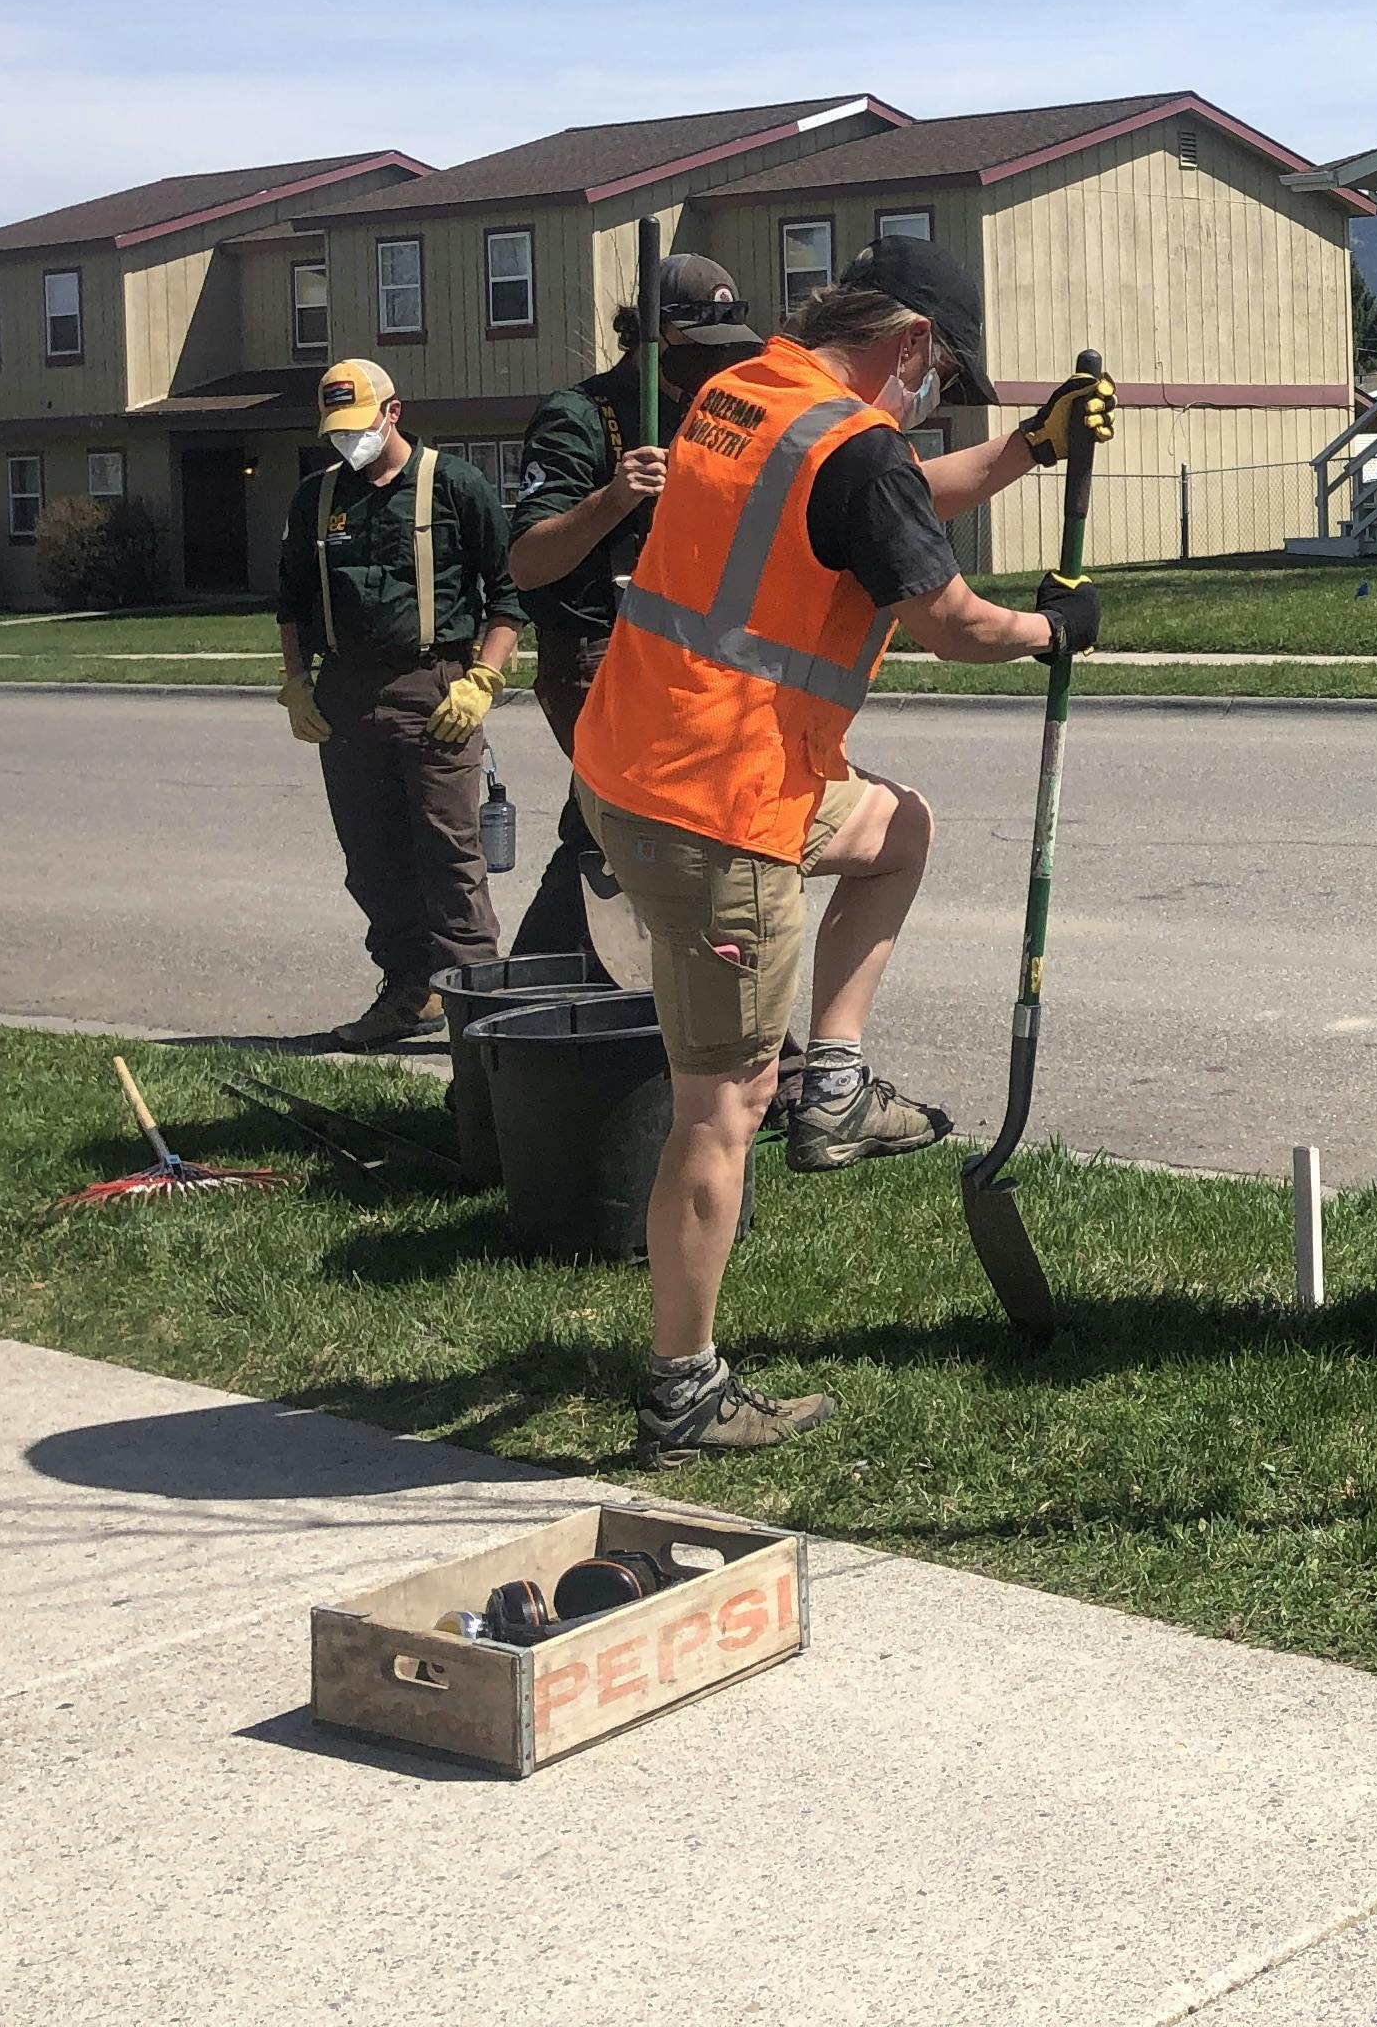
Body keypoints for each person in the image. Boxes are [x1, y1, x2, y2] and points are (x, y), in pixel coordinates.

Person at [570, 235, 1112, 1463]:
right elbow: (952, 620)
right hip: (718, 809)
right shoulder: (852, 447)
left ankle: (837, 1088)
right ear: (910, 343)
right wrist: (1053, 629)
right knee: (718, 1106)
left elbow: (892, 501)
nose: (934, 405)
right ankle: (683, 1393)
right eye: (943, 379)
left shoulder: (746, 394)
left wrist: (1030, 445)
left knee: (898, 830)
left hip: (652, 762)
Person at [501, 252, 769, 969]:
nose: (717, 369)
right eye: (701, 352)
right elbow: (529, 559)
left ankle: (526, 1004)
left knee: (604, 835)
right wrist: (614, 497)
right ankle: (741, 1032)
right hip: (596, 656)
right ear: (654, 341)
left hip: (687, 657)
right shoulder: (580, 416)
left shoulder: (716, 419)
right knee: (661, 830)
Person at [272, 358, 526, 1048]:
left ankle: (479, 1013)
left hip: (435, 688)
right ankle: (410, 991)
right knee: (372, 860)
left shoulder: (455, 485)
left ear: (394, 412)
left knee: (448, 858)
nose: (348, 442)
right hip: (345, 695)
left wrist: (481, 681)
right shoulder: (316, 498)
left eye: (359, 426)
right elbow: (291, 602)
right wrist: (297, 682)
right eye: (336, 431)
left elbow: (507, 595)